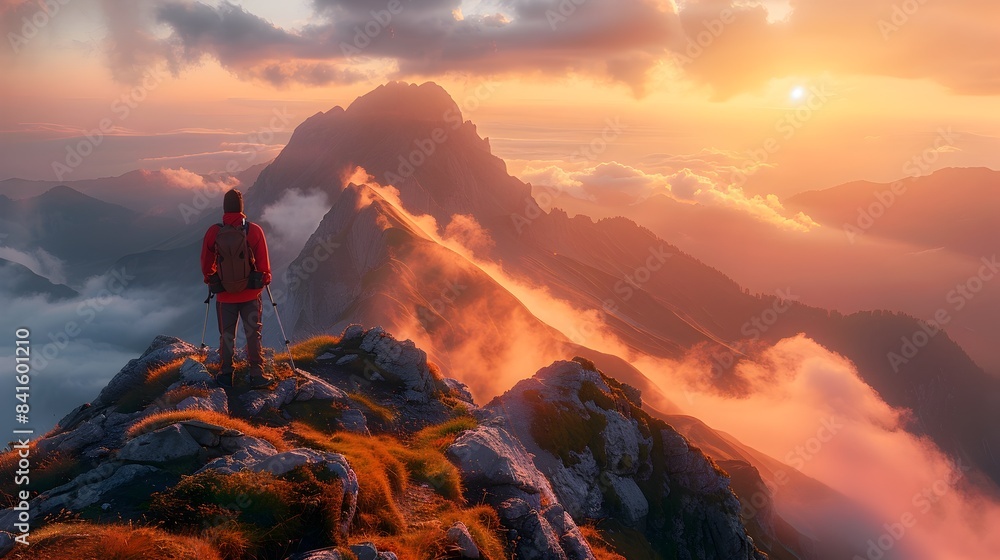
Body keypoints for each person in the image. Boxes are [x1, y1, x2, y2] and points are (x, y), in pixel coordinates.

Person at [200, 189, 272, 388]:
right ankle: (257, 374)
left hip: (225, 296)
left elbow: (206, 264)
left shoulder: (214, 232)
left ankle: (225, 374)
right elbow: (264, 266)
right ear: (242, 208)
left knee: (227, 335)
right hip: (250, 294)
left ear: (224, 208)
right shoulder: (254, 230)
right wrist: (263, 278)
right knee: (253, 333)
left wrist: (212, 279)